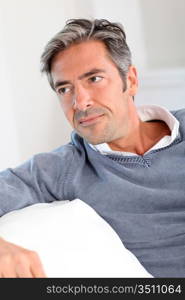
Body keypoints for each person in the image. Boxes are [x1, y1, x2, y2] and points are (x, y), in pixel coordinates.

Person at [0, 18, 184, 278]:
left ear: (130, 80)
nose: (80, 102)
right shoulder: (65, 167)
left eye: (94, 79)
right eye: (64, 89)